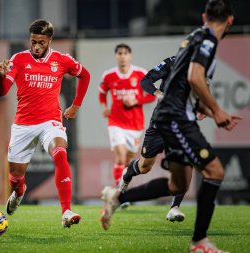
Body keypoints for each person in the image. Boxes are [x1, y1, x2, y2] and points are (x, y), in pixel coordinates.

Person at [101, 1, 240, 252]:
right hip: (174, 118)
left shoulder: (193, 37)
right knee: (214, 171)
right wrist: (217, 110)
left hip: (176, 116)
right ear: (230, 20)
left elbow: (185, 87)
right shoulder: (207, 41)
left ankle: (118, 197)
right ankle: (199, 241)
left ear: (203, 16)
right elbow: (194, 78)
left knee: (178, 184)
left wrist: (207, 110)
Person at [0, 19, 90, 228]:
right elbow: (2, 92)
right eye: (33, 42)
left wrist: (75, 105)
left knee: (60, 152)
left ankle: (66, 211)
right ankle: (19, 191)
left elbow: (85, 75)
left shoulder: (62, 60)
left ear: (49, 40)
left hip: (50, 121)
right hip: (23, 125)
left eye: (41, 42)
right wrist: (1, 78)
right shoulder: (18, 59)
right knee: (15, 177)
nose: (36, 46)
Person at [116, 56, 191, 222]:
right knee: (144, 167)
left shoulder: (202, 69)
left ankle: (174, 208)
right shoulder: (172, 62)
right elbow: (146, 80)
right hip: (160, 124)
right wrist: (157, 92)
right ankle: (126, 175)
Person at [98, 44, 155, 186]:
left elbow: (152, 96)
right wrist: (104, 107)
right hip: (116, 122)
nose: (122, 56)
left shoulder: (140, 74)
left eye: (125, 53)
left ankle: (123, 188)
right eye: (119, 53)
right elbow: (102, 93)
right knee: (120, 157)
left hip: (135, 124)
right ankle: (118, 194)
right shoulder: (109, 75)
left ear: (130, 55)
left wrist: (136, 100)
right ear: (116, 56)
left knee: (128, 160)